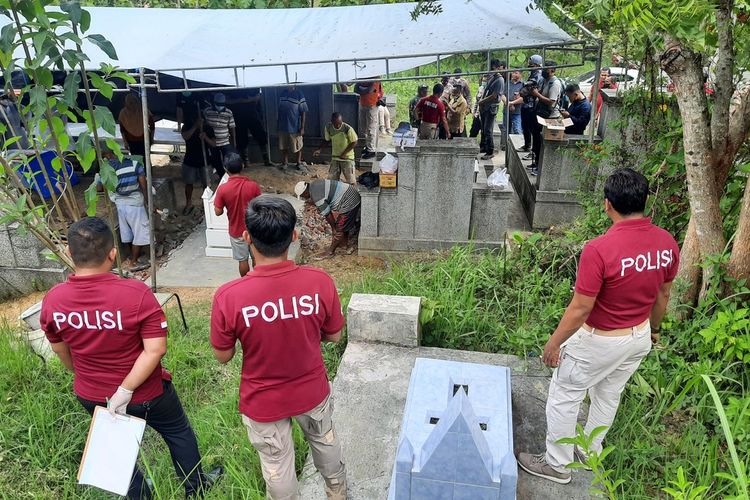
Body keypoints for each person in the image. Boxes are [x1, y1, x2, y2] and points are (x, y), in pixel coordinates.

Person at [40, 217, 223, 500]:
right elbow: (155, 349)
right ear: (113, 254)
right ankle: (195, 488)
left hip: (92, 394)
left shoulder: (54, 300)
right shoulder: (135, 293)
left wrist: (83, 374)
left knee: (115, 448)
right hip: (147, 393)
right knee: (177, 432)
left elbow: (59, 348)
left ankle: (140, 496)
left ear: (70, 254)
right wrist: (125, 389)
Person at [517, 168, 679, 485]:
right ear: (645, 201)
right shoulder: (666, 243)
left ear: (607, 205)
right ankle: (591, 455)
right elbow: (663, 295)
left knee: (565, 394)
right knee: (608, 396)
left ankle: (557, 464)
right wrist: (655, 330)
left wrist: (553, 344)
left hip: (600, 340)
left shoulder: (599, 249)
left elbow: (581, 308)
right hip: (638, 338)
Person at [210, 196, 347, 500]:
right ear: (295, 237)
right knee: (325, 441)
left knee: (276, 464)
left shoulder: (230, 296)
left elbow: (223, 355)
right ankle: (337, 492)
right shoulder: (319, 281)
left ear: (247, 238)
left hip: (263, 401)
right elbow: (334, 336)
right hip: (312, 390)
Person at [97, 144, 151, 271]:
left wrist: (99, 179)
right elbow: (143, 185)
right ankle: (133, 262)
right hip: (135, 204)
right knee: (140, 232)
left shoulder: (106, 169)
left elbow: (99, 188)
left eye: (105, 156)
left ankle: (133, 256)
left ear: (109, 155)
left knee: (127, 232)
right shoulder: (134, 164)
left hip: (120, 204)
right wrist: (148, 202)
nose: (105, 159)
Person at [213, 152, 262, 277]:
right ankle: (259, 280)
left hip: (236, 230)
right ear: (243, 165)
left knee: (242, 260)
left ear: (225, 168)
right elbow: (261, 207)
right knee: (256, 258)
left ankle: (245, 282)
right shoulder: (253, 186)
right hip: (254, 229)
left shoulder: (223, 189)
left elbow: (218, 212)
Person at [296, 179, 360, 256]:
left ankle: (330, 252)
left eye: (303, 196)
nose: (304, 198)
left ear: (305, 192)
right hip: (351, 192)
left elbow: (328, 214)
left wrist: (333, 228)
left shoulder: (317, 197)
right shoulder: (315, 184)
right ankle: (343, 245)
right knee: (343, 224)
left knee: (339, 228)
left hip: (349, 201)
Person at [529, 60, 563, 176]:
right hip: (540, 114)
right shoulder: (544, 80)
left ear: (552, 70)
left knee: (543, 142)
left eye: (546, 69)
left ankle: (541, 168)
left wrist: (537, 94)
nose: (543, 71)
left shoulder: (555, 83)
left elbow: (551, 102)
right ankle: (536, 162)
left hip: (550, 117)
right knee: (537, 140)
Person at [227, 89, 274, 167]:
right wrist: (245, 100)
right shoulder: (232, 86)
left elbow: (258, 96)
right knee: (241, 139)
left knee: (261, 135)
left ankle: (266, 159)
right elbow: (226, 100)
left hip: (252, 113)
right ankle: (245, 161)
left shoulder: (251, 84)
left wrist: (242, 101)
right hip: (238, 115)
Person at [180, 106, 213, 214]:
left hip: (205, 161)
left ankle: (206, 205)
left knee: (206, 184)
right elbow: (185, 136)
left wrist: (205, 137)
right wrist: (195, 127)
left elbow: (214, 143)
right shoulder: (187, 126)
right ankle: (188, 204)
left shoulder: (208, 127)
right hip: (190, 160)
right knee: (189, 183)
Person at [314, 112, 358, 184]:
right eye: (336, 124)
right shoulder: (328, 127)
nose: (338, 126)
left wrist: (344, 153)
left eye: (339, 123)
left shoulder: (347, 128)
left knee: (351, 182)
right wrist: (319, 149)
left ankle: (353, 194)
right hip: (335, 158)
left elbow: (354, 142)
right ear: (331, 122)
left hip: (347, 158)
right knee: (332, 182)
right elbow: (326, 140)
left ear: (342, 121)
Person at [476, 59, 505, 159]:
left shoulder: (500, 80)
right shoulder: (493, 77)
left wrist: (482, 101)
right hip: (485, 107)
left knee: (488, 129)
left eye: (491, 67)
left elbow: (494, 96)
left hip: (491, 107)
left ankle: (490, 151)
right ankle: (484, 146)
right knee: (484, 129)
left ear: (496, 67)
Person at [203, 93, 236, 177]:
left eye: (221, 104)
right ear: (214, 102)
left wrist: (233, 142)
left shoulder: (229, 112)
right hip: (212, 142)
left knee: (228, 161)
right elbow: (205, 126)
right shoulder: (207, 111)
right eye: (218, 104)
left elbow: (232, 128)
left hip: (225, 141)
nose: (219, 106)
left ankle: (229, 177)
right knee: (216, 161)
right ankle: (221, 177)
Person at [277, 84, 309, 172]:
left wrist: (302, 127)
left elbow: (303, 112)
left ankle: (298, 162)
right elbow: (279, 110)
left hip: (295, 126)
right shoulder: (282, 93)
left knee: (298, 145)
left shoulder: (299, 94)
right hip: (283, 125)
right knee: (284, 145)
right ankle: (285, 163)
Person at [518, 54, 544, 153]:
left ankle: (533, 150)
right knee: (525, 126)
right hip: (526, 104)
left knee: (533, 129)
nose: (530, 67)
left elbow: (529, 88)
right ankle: (527, 145)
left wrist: (524, 90)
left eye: (532, 65)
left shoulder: (538, 75)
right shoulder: (532, 74)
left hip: (532, 106)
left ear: (537, 65)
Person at [118, 93, 155, 159]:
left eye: (133, 102)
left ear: (137, 102)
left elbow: (152, 126)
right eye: (130, 103)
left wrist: (151, 138)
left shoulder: (144, 111)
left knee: (146, 159)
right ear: (126, 103)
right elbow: (122, 129)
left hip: (144, 140)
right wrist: (125, 141)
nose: (132, 105)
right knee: (135, 160)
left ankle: (146, 169)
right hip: (131, 141)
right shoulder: (123, 113)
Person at [354, 79, 383, 159]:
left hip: (372, 104)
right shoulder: (362, 76)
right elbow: (355, 89)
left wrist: (361, 89)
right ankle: (368, 146)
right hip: (363, 103)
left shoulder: (375, 77)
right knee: (364, 128)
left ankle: (371, 150)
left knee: (371, 128)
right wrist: (363, 90)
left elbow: (369, 90)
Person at [505, 70, 524, 135]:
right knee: (506, 130)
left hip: (517, 112)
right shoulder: (507, 83)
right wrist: (509, 104)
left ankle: (519, 144)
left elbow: (523, 98)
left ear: (520, 75)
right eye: (512, 72)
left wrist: (512, 103)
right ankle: (504, 144)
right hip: (507, 111)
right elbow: (502, 95)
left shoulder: (523, 84)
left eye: (516, 73)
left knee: (517, 130)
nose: (513, 74)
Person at [469, 74, 488, 138]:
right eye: (483, 80)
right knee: (473, 132)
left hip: (485, 115)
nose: (483, 82)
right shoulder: (480, 88)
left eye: (485, 81)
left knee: (484, 133)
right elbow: (477, 102)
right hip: (477, 114)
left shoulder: (490, 90)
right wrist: (473, 112)